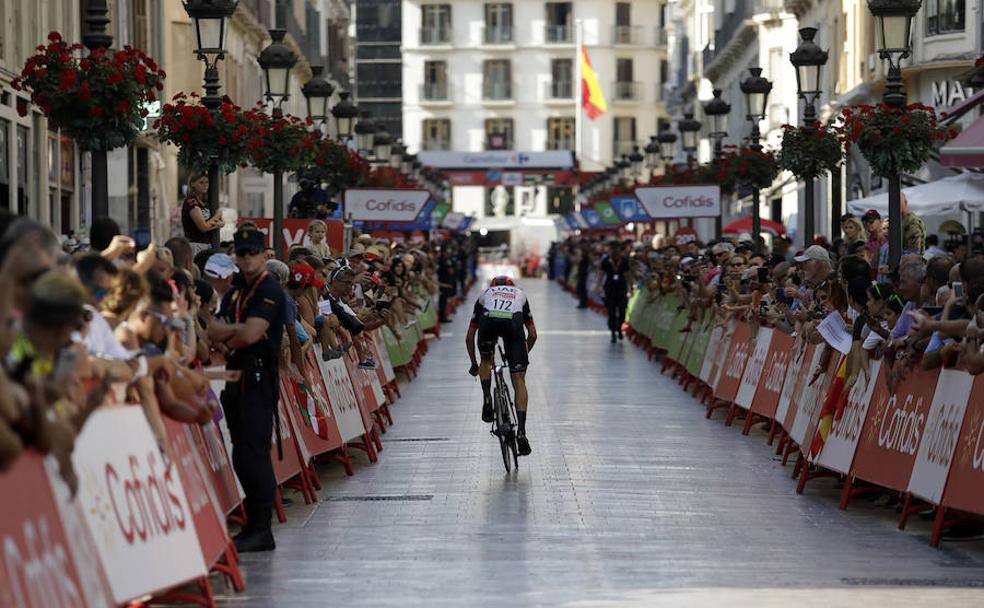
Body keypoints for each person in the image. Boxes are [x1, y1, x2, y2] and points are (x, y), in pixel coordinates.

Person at [208, 226, 286, 553]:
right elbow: (212, 332)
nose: (247, 258)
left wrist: (234, 331)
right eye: (242, 253)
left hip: (257, 378)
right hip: (235, 377)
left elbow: (248, 335)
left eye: (253, 252)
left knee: (254, 455)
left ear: (264, 254)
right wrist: (234, 330)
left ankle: (261, 528)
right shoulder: (236, 292)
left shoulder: (269, 289)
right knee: (240, 453)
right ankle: (254, 525)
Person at [465, 276, 537, 456]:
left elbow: (469, 337)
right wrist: (522, 353)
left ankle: (487, 397)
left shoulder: (485, 294)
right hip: (513, 323)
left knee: (486, 360)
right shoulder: (520, 294)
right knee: (519, 380)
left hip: (489, 322)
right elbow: (533, 334)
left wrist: (474, 363)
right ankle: (521, 431)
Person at [182, 172, 223, 255]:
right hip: (196, 245)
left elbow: (221, 222)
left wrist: (218, 223)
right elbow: (203, 227)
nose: (205, 185)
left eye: (207, 182)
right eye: (201, 182)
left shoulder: (207, 202)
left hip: (208, 244)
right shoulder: (191, 202)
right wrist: (217, 216)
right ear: (193, 184)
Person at [600, 241, 631, 343]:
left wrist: (630, 287)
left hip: (621, 288)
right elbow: (601, 274)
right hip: (609, 289)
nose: (615, 251)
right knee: (611, 311)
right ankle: (613, 332)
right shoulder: (605, 261)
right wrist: (599, 286)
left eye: (617, 249)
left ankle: (619, 328)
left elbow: (627, 275)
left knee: (622, 311)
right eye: (612, 249)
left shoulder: (624, 261)